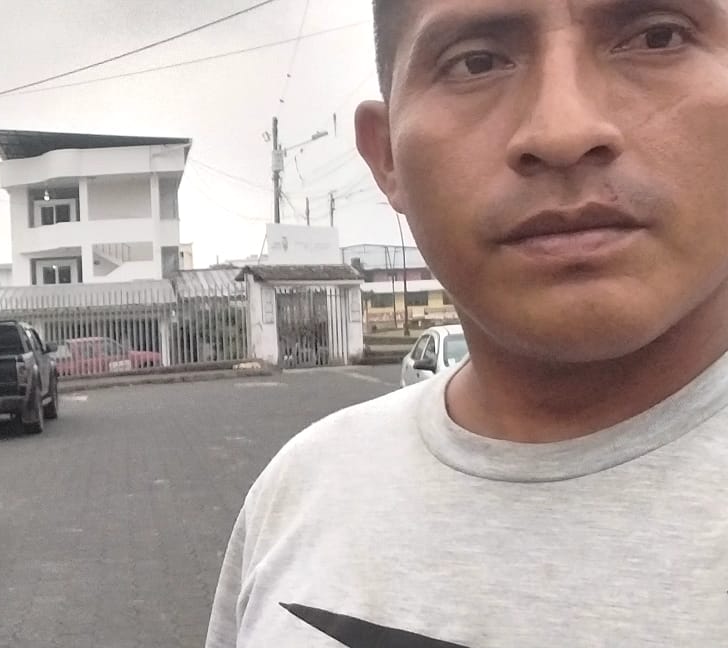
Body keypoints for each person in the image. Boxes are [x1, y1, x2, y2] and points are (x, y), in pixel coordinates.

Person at [206, 1, 728, 646]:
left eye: (657, 37)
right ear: (386, 155)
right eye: (476, 62)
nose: (562, 132)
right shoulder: (300, 494)